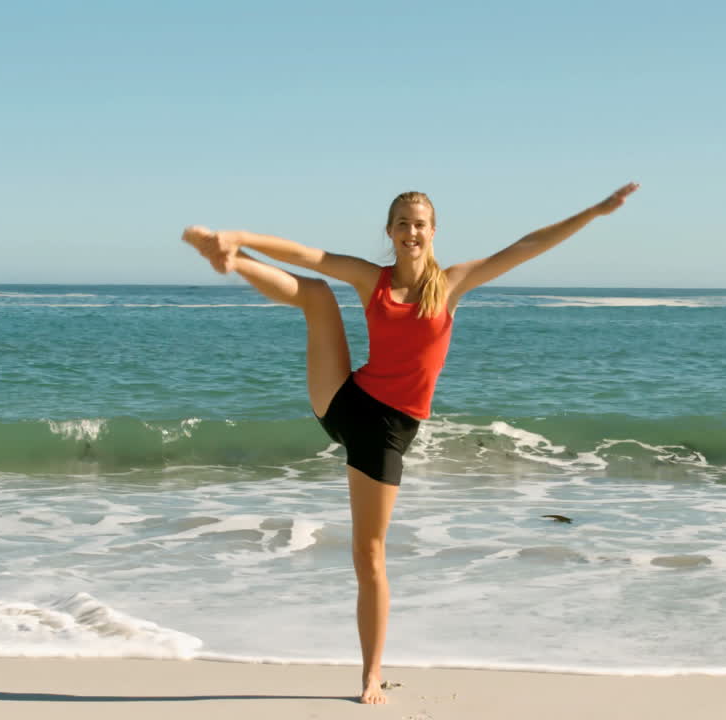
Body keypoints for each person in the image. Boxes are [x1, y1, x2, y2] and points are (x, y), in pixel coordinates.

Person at [182, 182, 638, 704]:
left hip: (386, 432)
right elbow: (308, 256)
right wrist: (240, 239)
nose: (411, 231)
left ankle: (370, 674)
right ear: (390, 232)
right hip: (344, 400)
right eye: (402, 223)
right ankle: (230, 261)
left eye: (419, 223)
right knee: (316, 294)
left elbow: (528, 246)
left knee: (368, 555)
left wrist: (596, 212)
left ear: (433, 231)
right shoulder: (371, 280)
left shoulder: (451, 284)